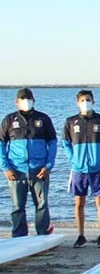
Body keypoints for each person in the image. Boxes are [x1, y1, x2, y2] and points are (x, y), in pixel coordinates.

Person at [0, 88, 57, 237]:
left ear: (33, 100)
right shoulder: (9, 120)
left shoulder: (43, 119)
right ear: (17, 102)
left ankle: (43, 234)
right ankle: (19, 236)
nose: (26, 101)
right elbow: (1, 145)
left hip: (39, 170)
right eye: (23, 99)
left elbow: (52, 143)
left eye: (29, 98)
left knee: (42, 204)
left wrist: (48, 165)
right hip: (16, 171)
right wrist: (6, 167)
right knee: (18, 206)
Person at [62, 90, 100, 248]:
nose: (85, 102)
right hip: (78, 169)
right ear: (77, 103)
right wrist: (73, 158)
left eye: (88, 99)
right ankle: (80, 235)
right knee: (79, 202)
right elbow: (65, 143)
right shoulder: (71, 121)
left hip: (97, 168)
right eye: (82, 100)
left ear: (93, 101)